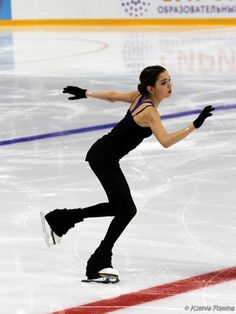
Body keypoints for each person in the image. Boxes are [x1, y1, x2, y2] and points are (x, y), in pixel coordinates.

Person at [40, 65, 214, 283]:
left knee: (118, 207)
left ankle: (60, 218)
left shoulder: (139, 97)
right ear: (151, 88)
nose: (170, 85)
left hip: (104, 155)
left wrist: (85, 93)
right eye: (163, 83)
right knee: (127, 210)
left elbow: (112, 96)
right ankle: (98, 261)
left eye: (170, 80)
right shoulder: (150, 111)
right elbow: (166, 141)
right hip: (103, 158)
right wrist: (195, 125)